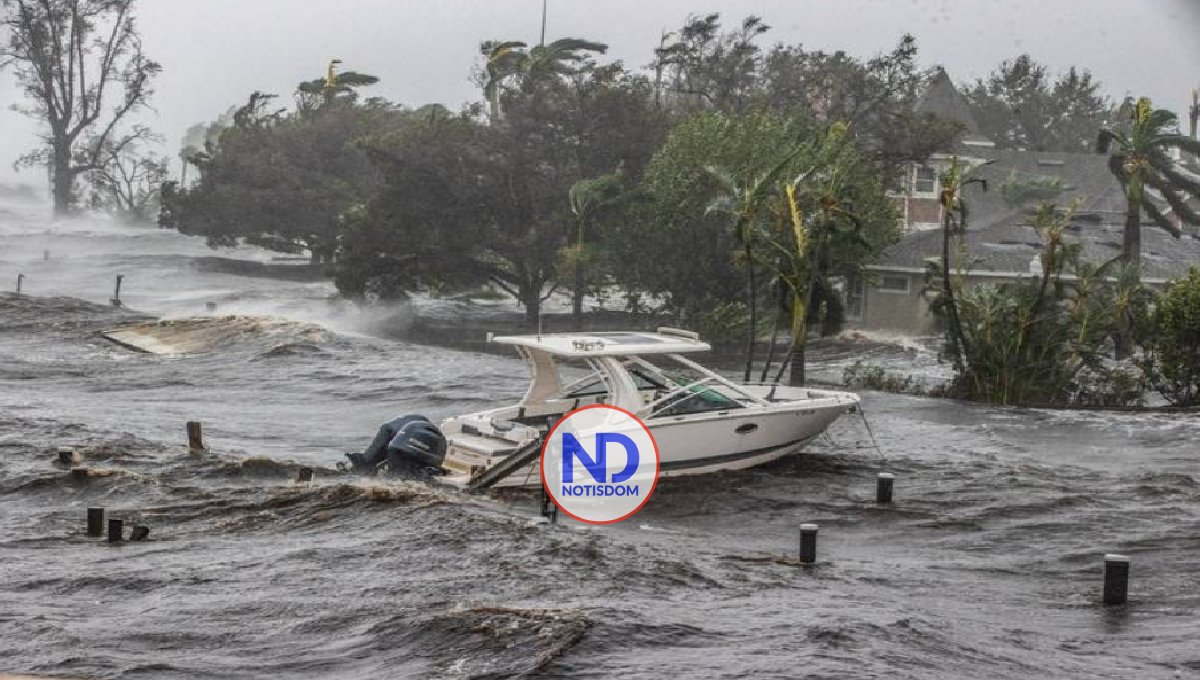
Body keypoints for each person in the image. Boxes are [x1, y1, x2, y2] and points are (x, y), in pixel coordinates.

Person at [345, 414, 448, 478]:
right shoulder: (417, 428)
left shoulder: (396, 430)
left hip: (401, 428)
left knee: (369, 463)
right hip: (403, 427)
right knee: (369, 464)